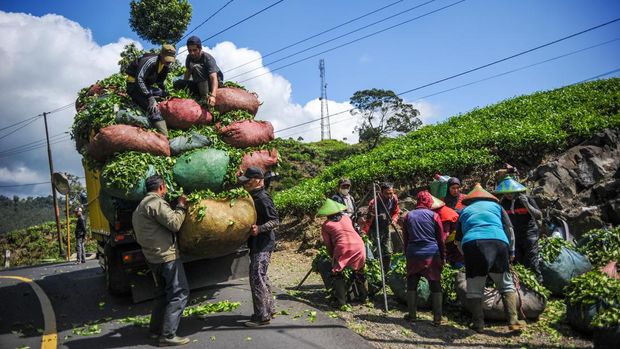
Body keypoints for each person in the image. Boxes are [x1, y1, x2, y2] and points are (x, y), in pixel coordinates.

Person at [455, 183, 525, 333]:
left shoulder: (464, 211)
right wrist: (511, 251)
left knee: (474, 287)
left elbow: (458, 240)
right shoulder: (497, 208)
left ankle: (478, 323)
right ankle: (513, 320)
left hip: (473, 244)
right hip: (498, 242)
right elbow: (510, 230)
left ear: (470, 200)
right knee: (506, 284)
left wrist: (466, 255)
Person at [132, 175, 190, 346]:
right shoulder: (156, 203)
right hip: (166, 257)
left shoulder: (140, 206)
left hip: (152, 257)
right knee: (179, 293)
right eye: (165, 188)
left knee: (162, 294)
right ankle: (168, 335)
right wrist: (181, 206)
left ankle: (155, 330)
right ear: (161, 187)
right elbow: (174, 224)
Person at [238, 167, 279, 327]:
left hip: (263, 244)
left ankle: (262, 317)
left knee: (256, 277)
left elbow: (275, 220)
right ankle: (270, 309)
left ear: (257, 180)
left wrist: (259, 228)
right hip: (257, 244)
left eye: (248, 180)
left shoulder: (262, 198)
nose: (245, 183)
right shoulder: (252, 195)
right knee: (261, 276)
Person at [402, 191, 445, 325]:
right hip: (431, 254)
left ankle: (412, 315)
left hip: (413, 253)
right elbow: (440, 239)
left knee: (412, 282)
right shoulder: (435, 216)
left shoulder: (408, 216)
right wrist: (443, 256)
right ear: (429, 201)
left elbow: (406, 238)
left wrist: (407, 253)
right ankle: (437, 318)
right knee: (435, 283)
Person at [317, 198, 368, 307]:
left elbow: (328, 244)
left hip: (343, 247)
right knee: (359, 271)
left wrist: (332, 256)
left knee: (337, 273)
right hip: (359, 245)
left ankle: (341, 302)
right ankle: (364, 298)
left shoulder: (326, 225)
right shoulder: (346, 218)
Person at [497, 176, 543, 282]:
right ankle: (521, 283)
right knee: (517, 260)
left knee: (531, 259)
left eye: (511, 192)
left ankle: (538, 282)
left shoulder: (526, 198)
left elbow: (539, 215)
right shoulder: (503, 202)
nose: (508, 194)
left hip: (529, 232)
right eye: (506, 192)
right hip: (514, 234)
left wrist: (527, 205)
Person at [126, 44, 177, 137]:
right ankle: (165, 135)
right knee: (153, 108)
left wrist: (164, 94)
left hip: (147, 86)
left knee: (164, 94)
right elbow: (139, 79)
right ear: (161, 54)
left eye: (170, 59)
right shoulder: (150, 61)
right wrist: (150, 98)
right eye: (167, 58)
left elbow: (160, 82)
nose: (168, 62)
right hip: (134, 85)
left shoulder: (165, 65)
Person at [173, 35, 224, 106]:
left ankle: (204, 98)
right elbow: (187, 73)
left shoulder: (207, 58)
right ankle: (197, 95)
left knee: (196, 67)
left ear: (200, 49)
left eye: (194, 50)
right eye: (190, 50)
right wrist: (184, 85)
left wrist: (213, 96)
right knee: (177, 83)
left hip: (211, 84)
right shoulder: (189, 58)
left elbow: (213, 78)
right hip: (199, 84)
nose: (192, 53)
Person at [362, 182, 400, 272]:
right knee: (375, 251)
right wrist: (364, 231)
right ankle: (377, 272)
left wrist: (394, 220)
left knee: (387, 251)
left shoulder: (394, 199)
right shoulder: (374, 203)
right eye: (387, 193)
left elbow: (396, 211)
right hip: (374, 229)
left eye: (391, 193)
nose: (390, 195)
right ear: (381, 193)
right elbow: (368, 220)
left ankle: (387, 272)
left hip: (385, 227)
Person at [430, 195, 463, 268]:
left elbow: (445, 233)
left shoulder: (442, 213)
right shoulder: (444, 209)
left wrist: (439, 245)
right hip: (456, 237)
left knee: (457, 260)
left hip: (453, 240)